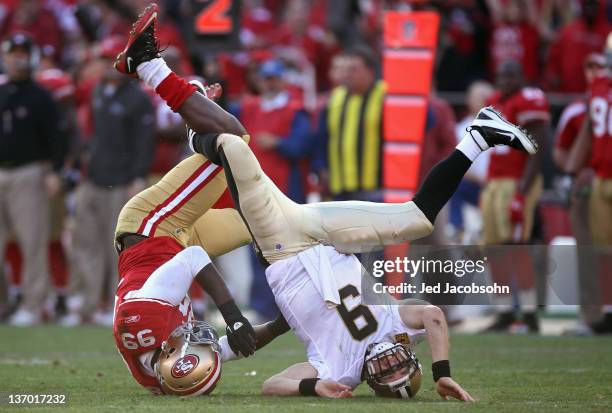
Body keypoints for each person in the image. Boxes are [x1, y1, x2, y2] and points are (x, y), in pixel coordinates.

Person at [112, 3, 535, 399]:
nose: (389, 364)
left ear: (373, 382)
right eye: (401, 367)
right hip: (319, 230)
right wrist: (442, 372)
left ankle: (159, 77)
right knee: (417, 219)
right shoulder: (394, 326)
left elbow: (273, 383)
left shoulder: (340, 372)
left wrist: (310, 388)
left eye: (387, 376)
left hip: (283, 243)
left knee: (235, 148)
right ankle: (479, 137)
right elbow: (434, 317)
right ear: (409, 356)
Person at [61, 36, 156, 327]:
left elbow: (144, 141)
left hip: (123, 179)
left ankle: (117, 305)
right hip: (94, 177)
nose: (104, 65)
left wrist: (139, 176)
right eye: (101, 60)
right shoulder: (98, 90)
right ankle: (89, 303)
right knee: (86, 242)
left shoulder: (137, 97)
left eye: (109, 59)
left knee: (115, 247)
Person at [479, 60, 551, 333]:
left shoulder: (529, 99)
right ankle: (505, 311)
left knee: (517, 248)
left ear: (522, 76)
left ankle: (530, 314)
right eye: (501, 75)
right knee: (494, 249)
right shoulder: (494, 101)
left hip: (517, 181)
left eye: (510, 75)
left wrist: (522, 190)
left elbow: (539, 145)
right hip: (495, 181)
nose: (505, 80)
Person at [0, 32, 66, 326]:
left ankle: (33, 303)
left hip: (28, 173)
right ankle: (5, 303)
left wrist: (55, 171)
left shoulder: (42, 97)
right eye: (13, 53)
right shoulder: (2, 93)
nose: (17, 58)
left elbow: (57, 138)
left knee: (32, 242)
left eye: (23, 53)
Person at [566, 35, 612, 334]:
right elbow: (588, 132)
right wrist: (573, 169)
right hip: (602, 177)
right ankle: (606, 311)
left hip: (602, 176)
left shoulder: (598, 88)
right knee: (602, 250)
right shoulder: (597, 88)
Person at [314, 45, 386, 202]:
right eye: (344, 69)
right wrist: (321, 168)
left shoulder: (387, 97)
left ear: (371, 72)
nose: (346, 74)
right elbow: (322, 138)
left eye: (353, 69)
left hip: (378, 188)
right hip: (340, 188)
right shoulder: (333, 99)